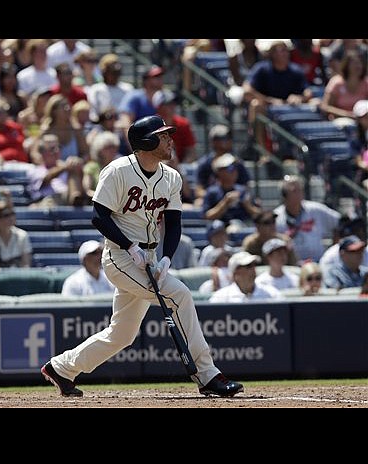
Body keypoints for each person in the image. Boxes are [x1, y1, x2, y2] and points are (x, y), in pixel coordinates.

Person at [41, 115, 244, 398]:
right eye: (163, 136)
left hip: (150, 259)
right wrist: (130, 247)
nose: (170, 140)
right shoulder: (118, 170)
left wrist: (166, 259)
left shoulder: (171, 176)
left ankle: (62, 367)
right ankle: (208, 375)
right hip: (119, 258)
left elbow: (173, 223)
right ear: (146, 141)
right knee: (181, 295)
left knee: (121, 335)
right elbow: (99, 217)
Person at [209, 251, 282, 303]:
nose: (253, 269)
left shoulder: (272, 293)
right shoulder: (220, 297)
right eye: (248, 266)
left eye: (253, 265)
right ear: (235, 273)